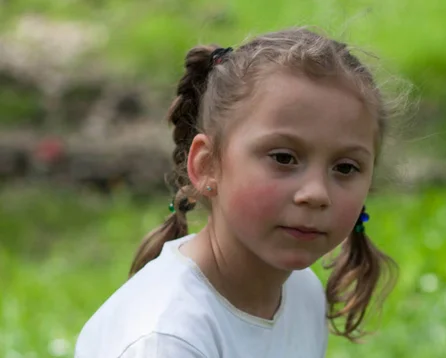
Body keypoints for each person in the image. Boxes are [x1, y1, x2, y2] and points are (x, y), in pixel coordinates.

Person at [75, 27, 398, 358]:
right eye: (284, 158)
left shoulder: (301, 291)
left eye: (345, 168)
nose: (316, 193)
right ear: (207, 166)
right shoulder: (166, 340)